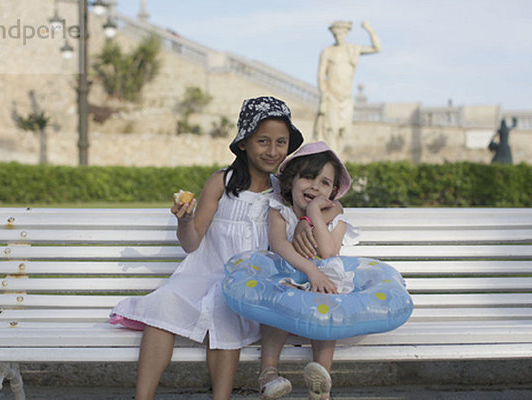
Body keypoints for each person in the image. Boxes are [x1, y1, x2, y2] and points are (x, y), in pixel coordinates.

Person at [109, 96, 304, 400]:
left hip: (249, 283)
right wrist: (185, 221)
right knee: (164, 302)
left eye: (281, 142)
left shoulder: (285, 191)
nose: (273, 150)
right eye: (263, 141)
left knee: (226, 312)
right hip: (203, 275)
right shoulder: (221, 182)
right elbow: (192, 243)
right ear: (243, 142)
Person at [258, 141, 359, 400]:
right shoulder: (280, 211)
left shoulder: (337, 220)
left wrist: (314, 212)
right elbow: (279, 244)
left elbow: (327, 252)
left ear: (333, 191)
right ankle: (268, 373)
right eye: (308, 177)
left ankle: (321, 382)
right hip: (289, 277)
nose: (315, 186)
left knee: (328, 300)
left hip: (322, 287)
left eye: (325, 182)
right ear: (291, 181)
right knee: (279, 293)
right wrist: (310, 271)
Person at [313, 21, 381, 152]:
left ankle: (338, 160)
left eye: (341, 33)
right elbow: (321, 75)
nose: (338, 36)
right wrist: (323, 95)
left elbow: (377, 48)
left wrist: (369, 29)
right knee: (331, 130)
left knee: (344, 131)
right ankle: (332, 160)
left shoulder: (352, 49)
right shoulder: (327, 51)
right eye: (336, 34)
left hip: (346, 98)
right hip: (331, 96)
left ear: (345, 34)